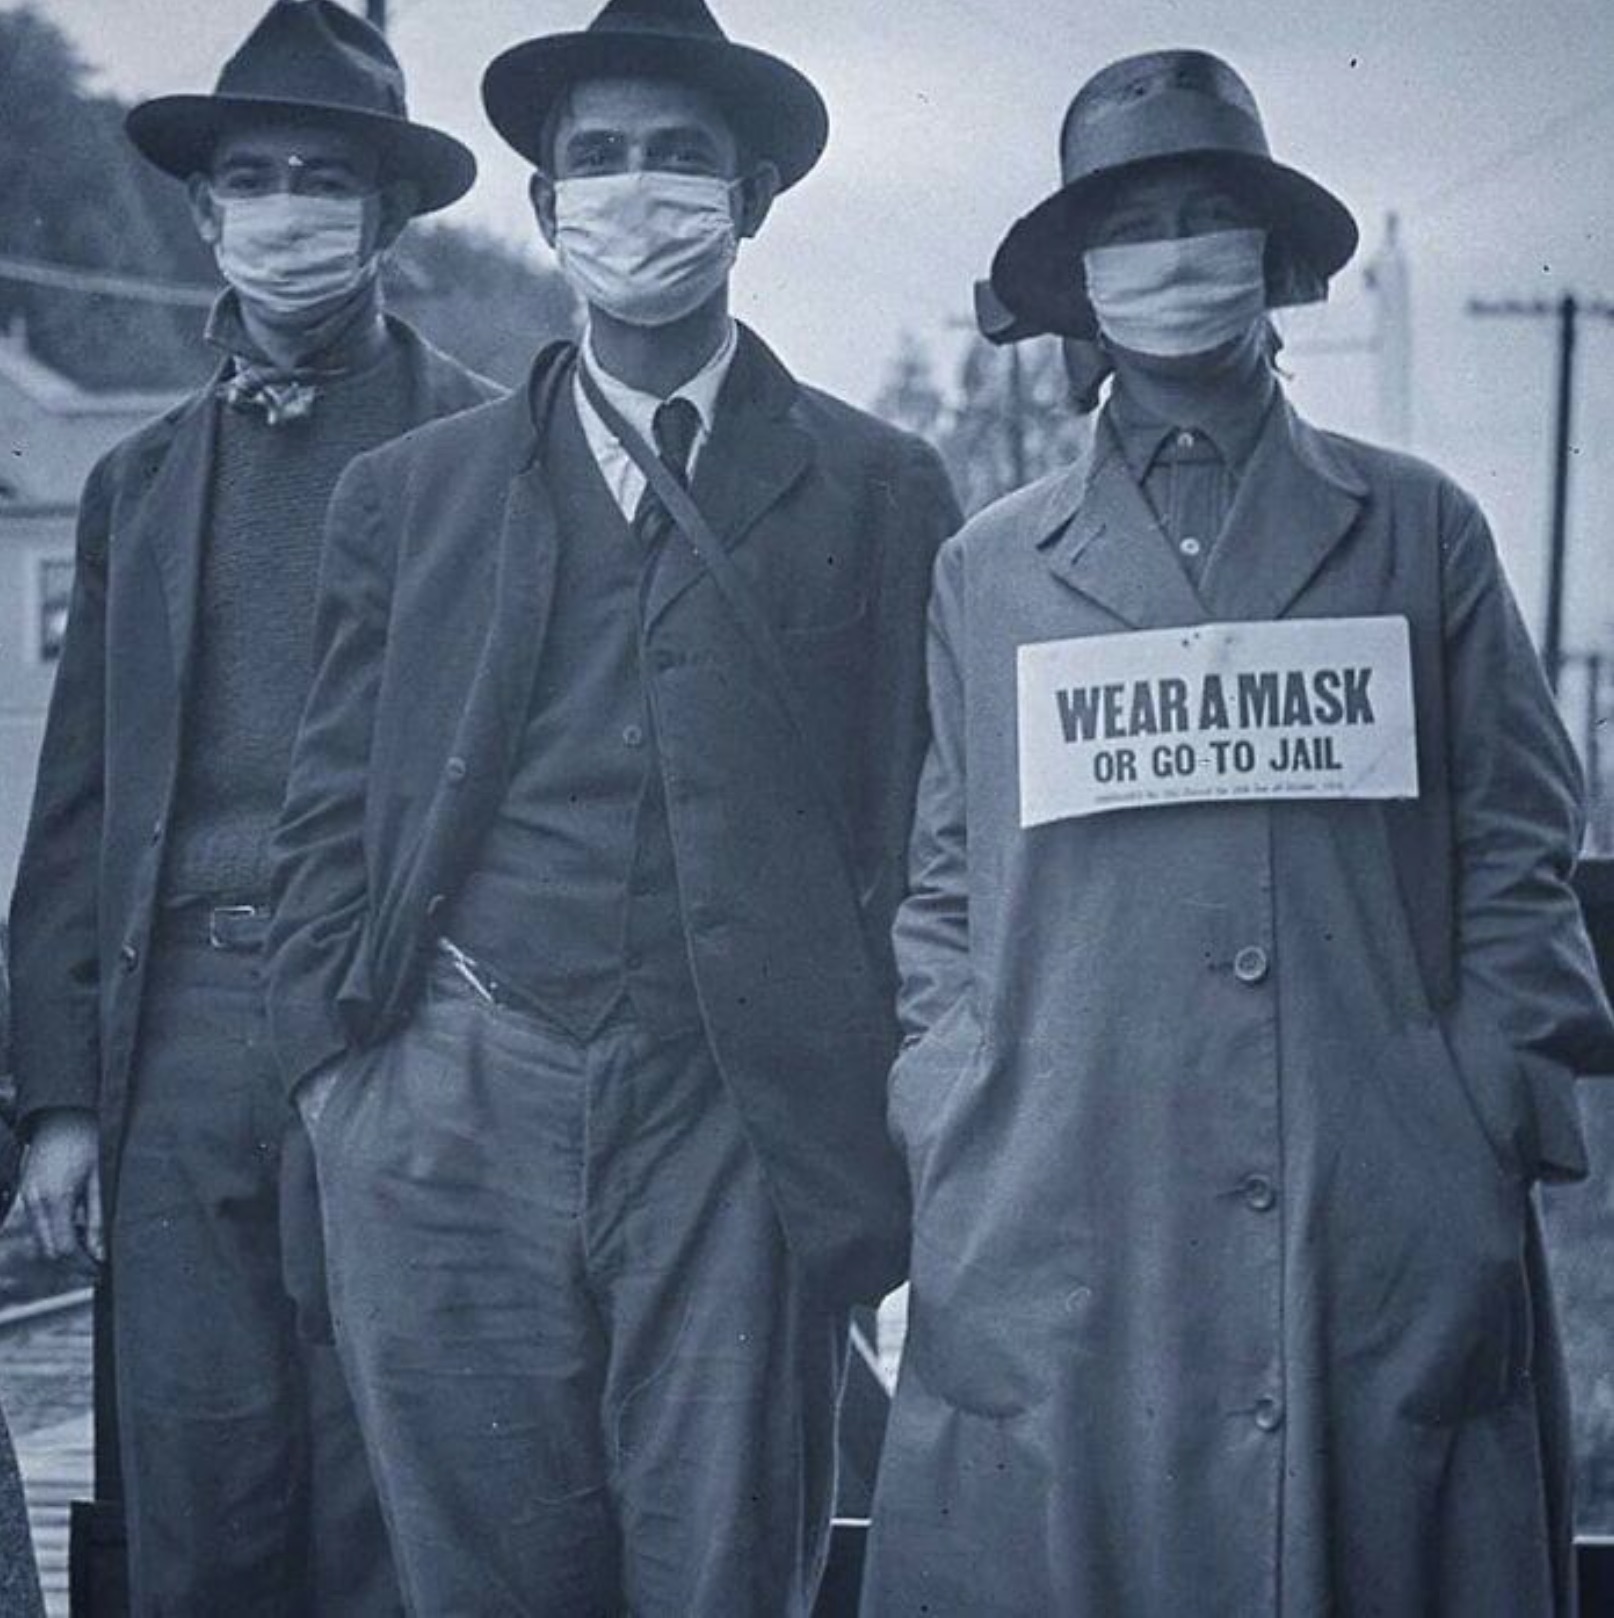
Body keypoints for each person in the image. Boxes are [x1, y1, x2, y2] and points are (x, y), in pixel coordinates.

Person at [863, 49, 1614, 1618]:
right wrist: (952, 1106)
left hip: (1370, 1200)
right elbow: (946, 885)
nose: (1177, 253)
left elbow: (1522, 853)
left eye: (1211, 213)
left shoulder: (1415, 528)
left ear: (1273, 259)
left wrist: (1467, 1112)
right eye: (1133, 222)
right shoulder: (990, 569)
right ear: (1077, 279)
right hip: (1074, 1200)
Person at [263, 1, 959, 1610]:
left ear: (754, 197)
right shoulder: (410, 494)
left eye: (679, 159)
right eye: (598, 160)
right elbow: (324, 809)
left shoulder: (879, 488)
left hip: (737, 1109)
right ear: (541, 204)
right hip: (451, 1090)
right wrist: (340, 1083)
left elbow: (922, 827)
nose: (635, 193)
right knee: (481, 1565)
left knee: (722, 1561)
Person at [8, 4, 497, 1610]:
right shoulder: (140, 483)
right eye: (253, 178)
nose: (285, 207)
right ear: (206, 212)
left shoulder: (494, 448)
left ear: (388, 214)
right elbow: (80, 803)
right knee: (198, 1463)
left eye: (325, 178)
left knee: (390, 1458)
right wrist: (65, 1098)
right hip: (188, 1026)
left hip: (405, 1016)